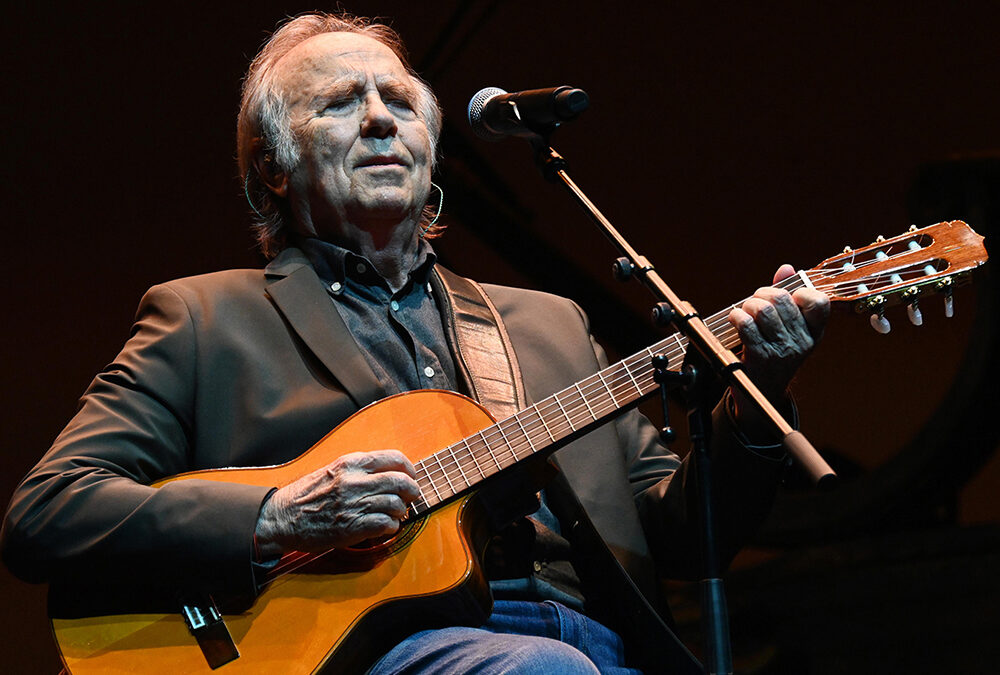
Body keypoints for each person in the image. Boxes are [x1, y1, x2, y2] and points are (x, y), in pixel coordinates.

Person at [1, 12, 829, 674]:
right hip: (383, 653)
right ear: (274, 169)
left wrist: (757, 393)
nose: (378, 120)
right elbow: (49, 513)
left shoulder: (548, 325)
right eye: (338, 104)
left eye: (399, 102)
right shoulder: (206, 320)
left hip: (596, 643)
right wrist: (277, 514)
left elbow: (688, 536)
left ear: (432, 153)